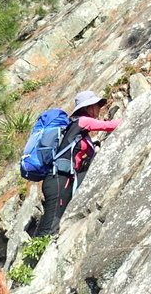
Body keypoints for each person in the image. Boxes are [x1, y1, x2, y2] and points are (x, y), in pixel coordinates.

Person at [33, 90, 120, 237]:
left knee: (56, 221)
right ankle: (38, 253)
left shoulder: (78, 131)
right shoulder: (82, 121)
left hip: (61, 179)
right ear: (88, 107)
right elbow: (110, 125)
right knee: (51, 225)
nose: (99, 108)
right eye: (97, 105)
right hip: (58, 180)